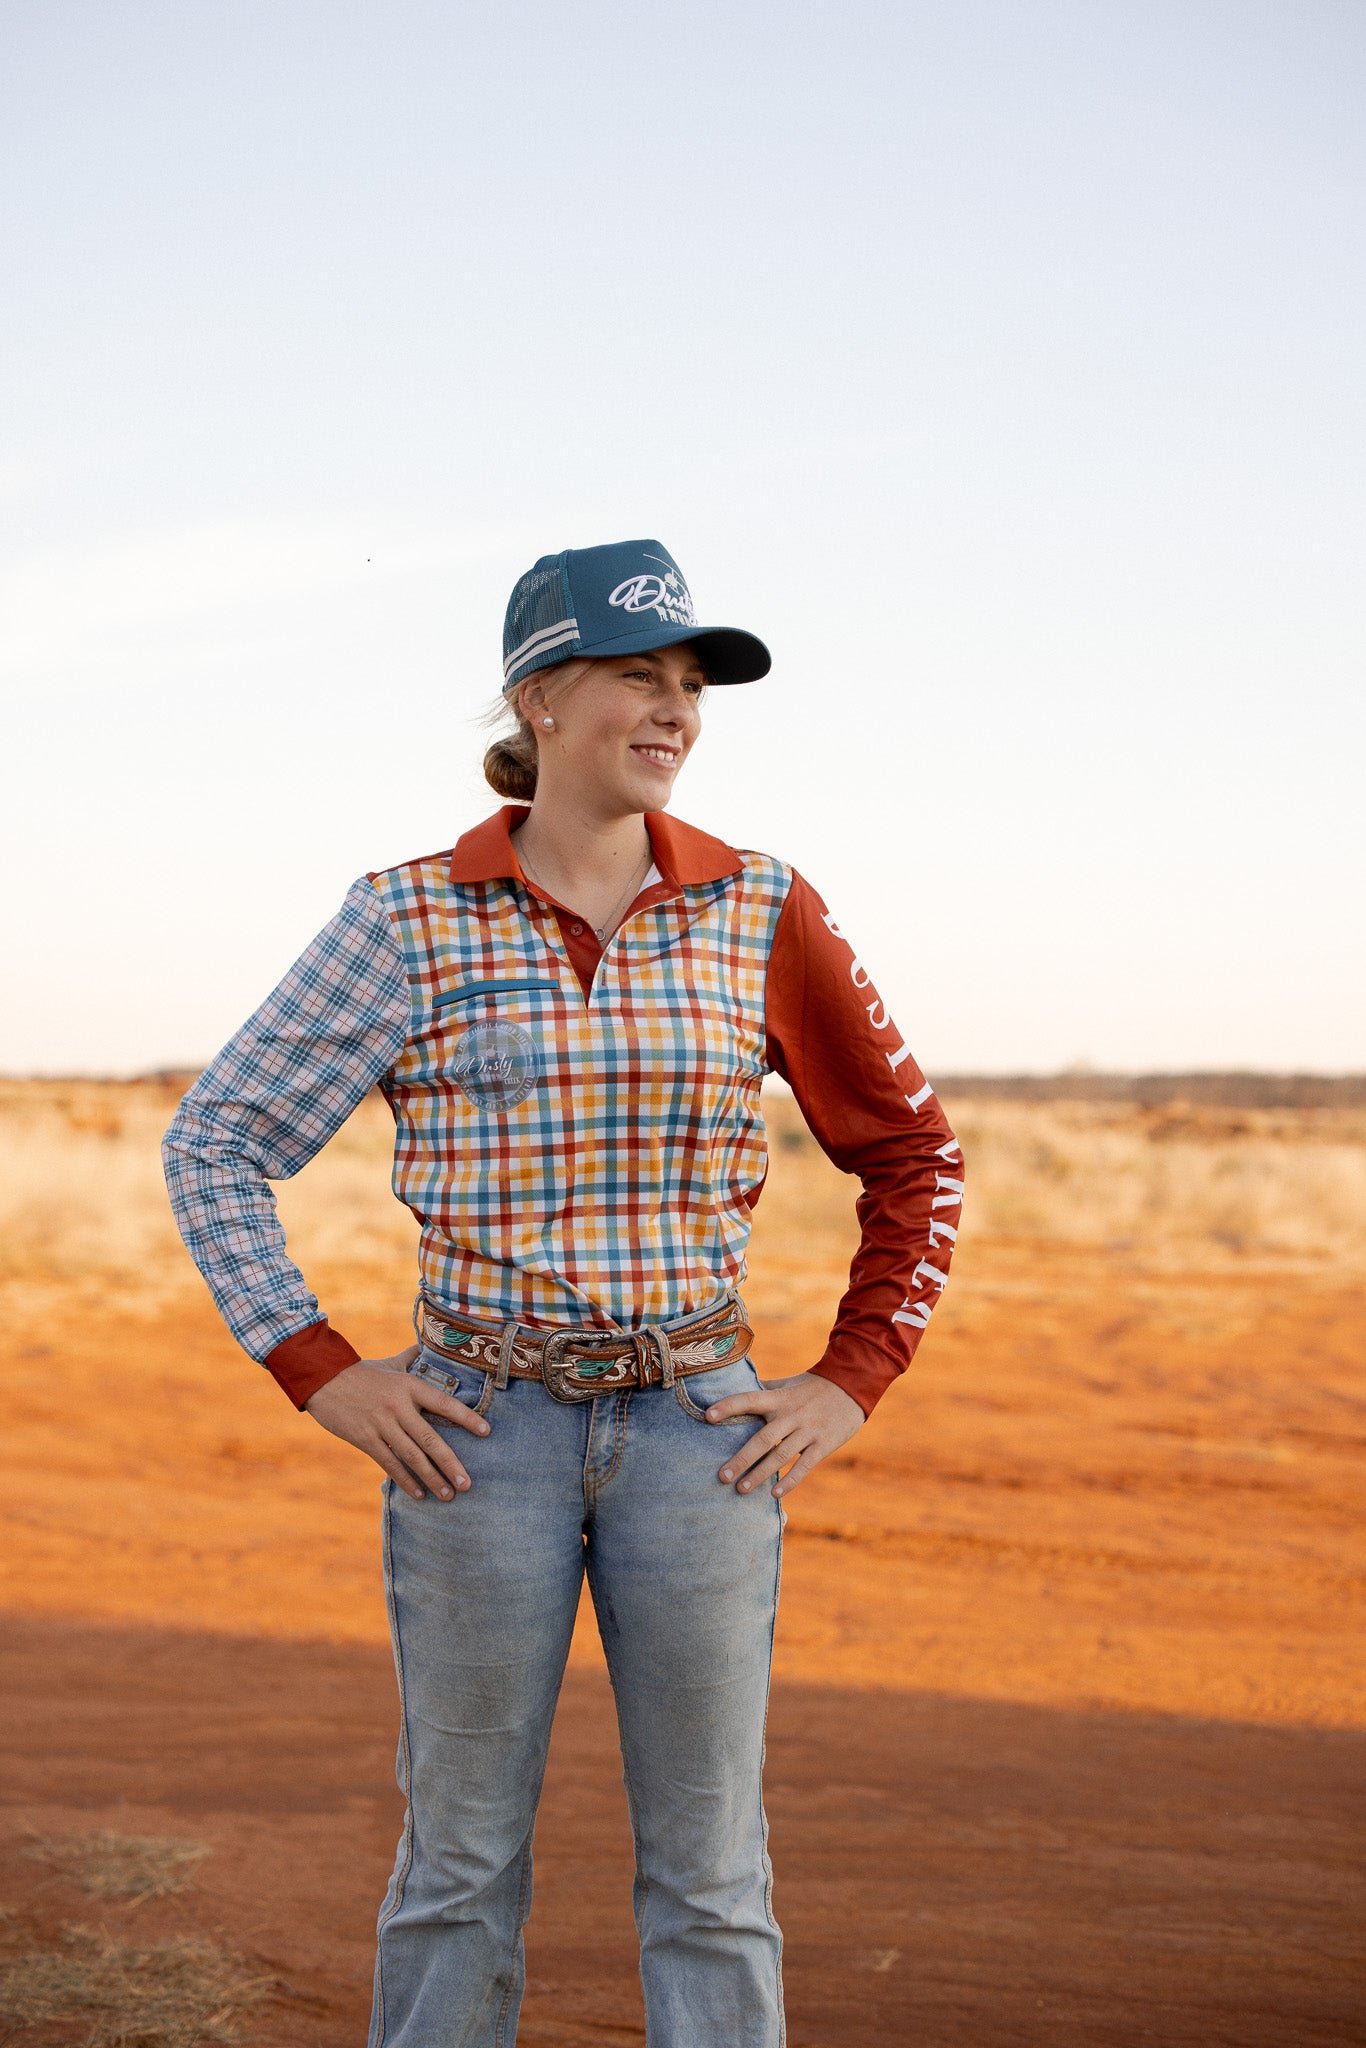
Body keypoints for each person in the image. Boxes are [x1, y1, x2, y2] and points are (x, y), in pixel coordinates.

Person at [163, 537, 963, 2048]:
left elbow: (914, 1152)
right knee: (458, 1861)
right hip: (478, 1436)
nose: (674, 712)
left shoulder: (760, 906)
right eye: (636, 678)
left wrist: (851, 1374)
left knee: (711, 1868)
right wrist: (317, 1364)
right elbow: (217, 1142)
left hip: (699, 1434)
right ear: (538, 698)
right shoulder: (407, 916)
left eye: (690, 687)